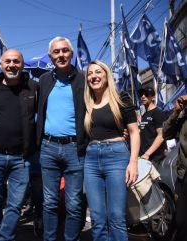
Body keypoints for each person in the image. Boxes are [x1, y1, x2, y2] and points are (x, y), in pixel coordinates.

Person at [0, 49, 38, 241]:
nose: (12, 65)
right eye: (8, 61)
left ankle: (4, 238)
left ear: (22, 64)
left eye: (16, 61)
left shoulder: (33, 88)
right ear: (1, 64)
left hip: (21, 158)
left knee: (15, 204)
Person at [36, 36, 88, 241]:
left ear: (71, 54)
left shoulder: (84, 78)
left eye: (65, 51)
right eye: (56, 52)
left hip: (75, 148)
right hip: (48, 148)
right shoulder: (44, 80)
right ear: (50, 56)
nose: (61, 55)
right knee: (49, 203)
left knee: (74, 203)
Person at [83, 61, 139, 241]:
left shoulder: (121, 98)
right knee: (98, 219)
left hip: (116, 156)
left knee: (116, 218)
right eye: (90, 74)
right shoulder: (87, 102)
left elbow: (134, 132)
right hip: (91, 158)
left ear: (107, 75)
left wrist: (133, 162)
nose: (94, 76)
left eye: (98, 72)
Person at [162, 94, 187, 241]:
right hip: (183, 175)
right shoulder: (183, 115)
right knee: (180, 219)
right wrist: (176, 112)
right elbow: (166, 132)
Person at [138, 87, 167, 169]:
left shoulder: (158, 113)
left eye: (146, 94)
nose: (143, 96)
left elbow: (161, 136)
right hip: (144, 157)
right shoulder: (144, 115)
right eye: (141, 94)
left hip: (155, 158)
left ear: (153, 97)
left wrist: (147, 153)